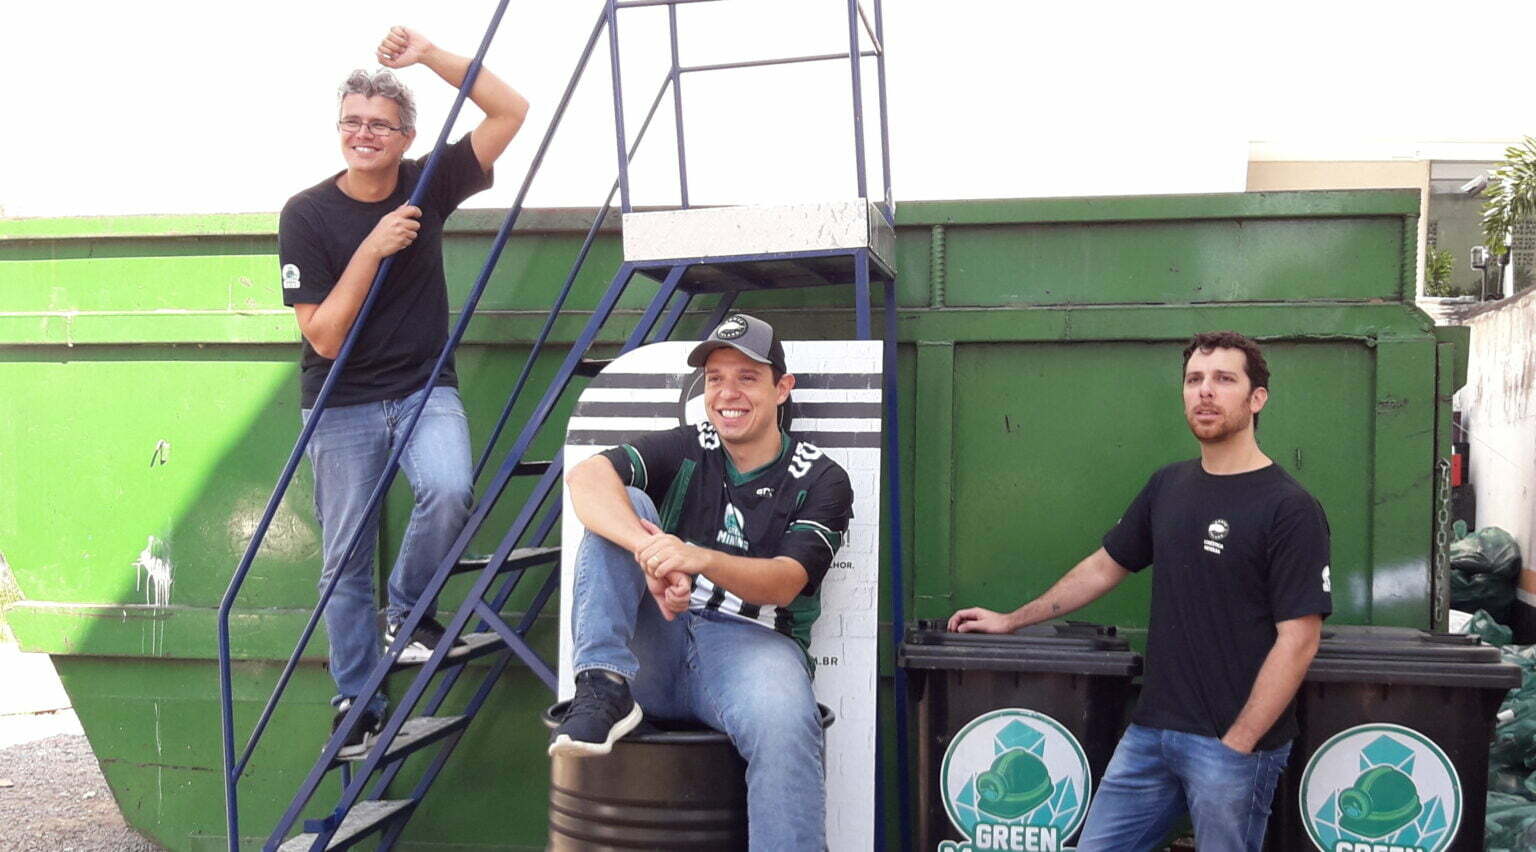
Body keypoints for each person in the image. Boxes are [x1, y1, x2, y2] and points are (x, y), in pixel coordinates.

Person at [948, 331, 1332, 852]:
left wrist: (1239, 742)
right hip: (1151, 733)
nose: (1205, 392)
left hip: (1234, 745)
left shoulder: (1290, 508)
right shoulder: (1168, 486)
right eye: (1195, 380)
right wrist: (1012, 619)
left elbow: (1299, 640)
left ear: (1256, 398)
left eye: (1223, 379)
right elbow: (1105, 566)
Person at [277, 26, 529, 757]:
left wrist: (427, 56)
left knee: (450, 489)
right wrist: (372, 246)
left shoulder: (429, 180)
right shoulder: (307, 214)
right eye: (352, 122)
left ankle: (411, 612)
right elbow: (322, 335)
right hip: (341, 401)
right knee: (345, 559)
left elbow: (510, 110)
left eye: (379, 125)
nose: (363, 134)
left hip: (424, 389)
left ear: (405, 136)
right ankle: (357, 701)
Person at [551, 314, 854, 851]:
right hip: (656, 645)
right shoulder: (690, 445)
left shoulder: (821, 475)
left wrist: (694, 558)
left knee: (787, 725)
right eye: (715, 378)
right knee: (625, 506)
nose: (727, 393)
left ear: (783, 388)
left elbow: (787, 582)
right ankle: (602, 683)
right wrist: (651, 552)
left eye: (746, 377)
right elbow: (586, 477)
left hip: (752, 647)